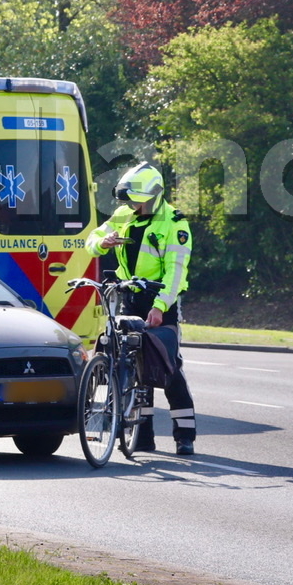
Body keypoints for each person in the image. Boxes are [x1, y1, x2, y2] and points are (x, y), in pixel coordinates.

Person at [85, 162, 197, 456]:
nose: (132, 205)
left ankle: (184, 436)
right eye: (129, 199)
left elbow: (176, 272)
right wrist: (103, 242)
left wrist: (160, 306)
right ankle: (142, 437)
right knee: (134, 367)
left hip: (161, 301)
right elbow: (90, 241)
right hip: (129, 296)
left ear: (154, 195)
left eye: (137, 199)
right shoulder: (123, 214)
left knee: (167, 366)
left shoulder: (174, 223)